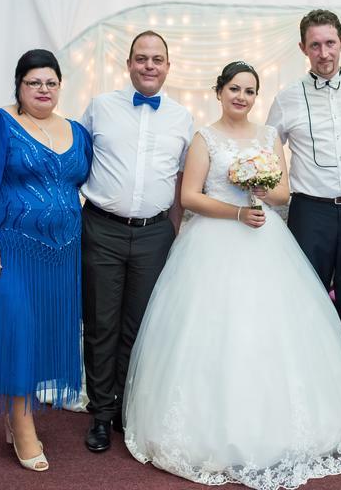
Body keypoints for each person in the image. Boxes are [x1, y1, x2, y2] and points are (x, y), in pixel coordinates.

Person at [122, 61, 341, 489]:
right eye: (234, 89)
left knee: (271, 332)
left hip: (264, 238)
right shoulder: (204, 137)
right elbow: (190, 196)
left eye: (250, 91)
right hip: (213, 242)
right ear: (219, 91)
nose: (242, 97)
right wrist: (236, 211)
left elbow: (284, 193)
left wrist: (259, 187)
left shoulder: (269, 136)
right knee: (214, 332)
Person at [0, 49, 92, 471]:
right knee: (16, 329)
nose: (43, 89)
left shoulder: (77, 131)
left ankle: (21, 409)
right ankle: (21, 420)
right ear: (19, 85)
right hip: (7, 249)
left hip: (61, 254)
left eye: (51, 82)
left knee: (41, 330)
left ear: (60, 86)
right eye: (34, 82)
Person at [80, 30, 193, 452]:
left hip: (154, 233)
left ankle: (125, 408)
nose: (149, 66)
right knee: (101, 324)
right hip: (102, 229)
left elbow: (181, 182)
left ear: (168, 66)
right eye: (141, 58)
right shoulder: (100, 108)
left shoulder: (182, 118)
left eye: (157, 59)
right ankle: (99, 413)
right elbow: (76, 162)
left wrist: (175, 232)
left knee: (140, 326)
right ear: (128, 64)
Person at [266, 9, 341, 367]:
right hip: (310, 212)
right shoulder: (286, 98)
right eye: (315, 45)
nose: (324, 53)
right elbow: (268, 151)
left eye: (330, 43)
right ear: (303, 48)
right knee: (305, 299)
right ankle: (307, 379)